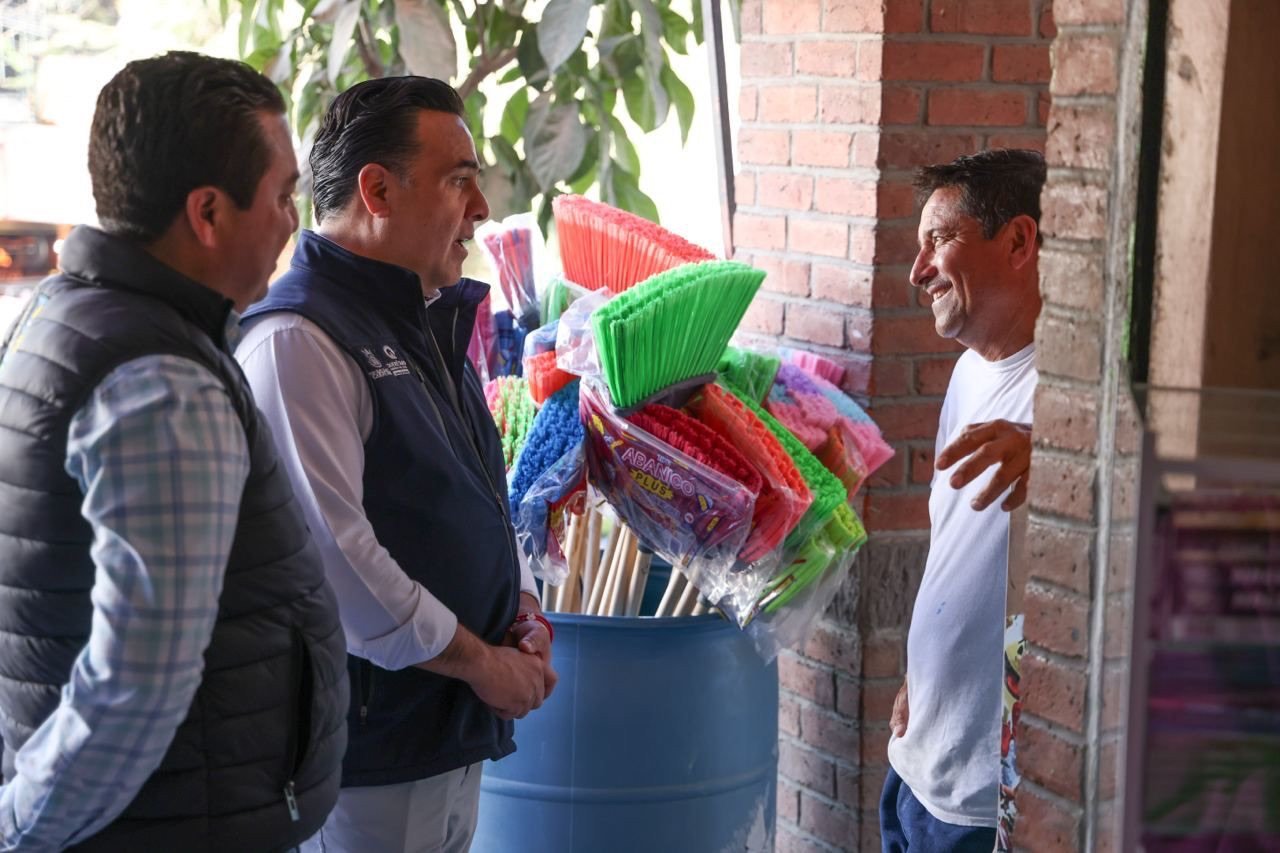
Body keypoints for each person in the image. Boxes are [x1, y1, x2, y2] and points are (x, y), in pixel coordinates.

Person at [0, 52, 348, 851]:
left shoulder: (68, 314)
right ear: (209, 213)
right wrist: (18, 829)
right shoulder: (160, 383)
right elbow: (138, 682)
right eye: (282, 196)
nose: (291, 223)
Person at [236, 76, 557, 853]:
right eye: (458, 180)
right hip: (365, 755)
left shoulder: (426, 320)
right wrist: (482, 664)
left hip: (444, 731)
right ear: (377, 190)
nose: (481, 207)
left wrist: (523, 605)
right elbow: (335, 563)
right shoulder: (298, 341)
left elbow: (479, 493)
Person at [879, 149, 1045, 852]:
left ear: (1018, 241)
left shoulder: (1069, 398)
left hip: (984, 798)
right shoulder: (968, 374)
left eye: (939, 239)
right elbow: (952, 547)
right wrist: (917, 675)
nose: (918, 271)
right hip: (916, 760)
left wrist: (1057, 461)